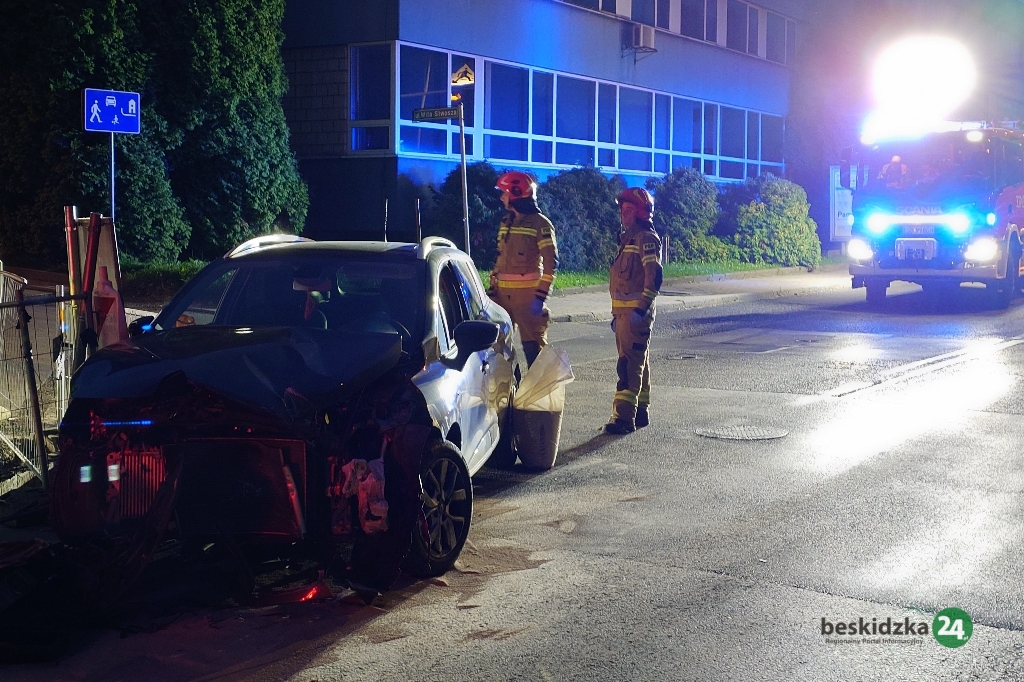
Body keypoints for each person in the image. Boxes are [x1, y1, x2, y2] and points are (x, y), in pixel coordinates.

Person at [605, 187, 662, 435]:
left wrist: (640, 309)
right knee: (640, 362)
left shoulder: (645, 238)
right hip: (625, 315)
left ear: (640, 213)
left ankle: (624, 418)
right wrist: (617, 315)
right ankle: (640, 411)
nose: (623, 215)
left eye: (628, 210)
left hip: (635, 315)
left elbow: (653, 277)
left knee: (628, 366)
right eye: (622, 210)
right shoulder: (628, 239)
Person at [489, 171, 558, 366]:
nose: (502, 197)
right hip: (502, 299)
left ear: (516, 193)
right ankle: (511, 390)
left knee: (533, 351)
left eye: (504, 192)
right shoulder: (506, 222)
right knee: (499, 351)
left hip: (527, 300)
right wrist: (493, 290)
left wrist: (540, 297)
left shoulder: (541, 224)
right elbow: (500, 257)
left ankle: (539, 394)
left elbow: (551, 265)